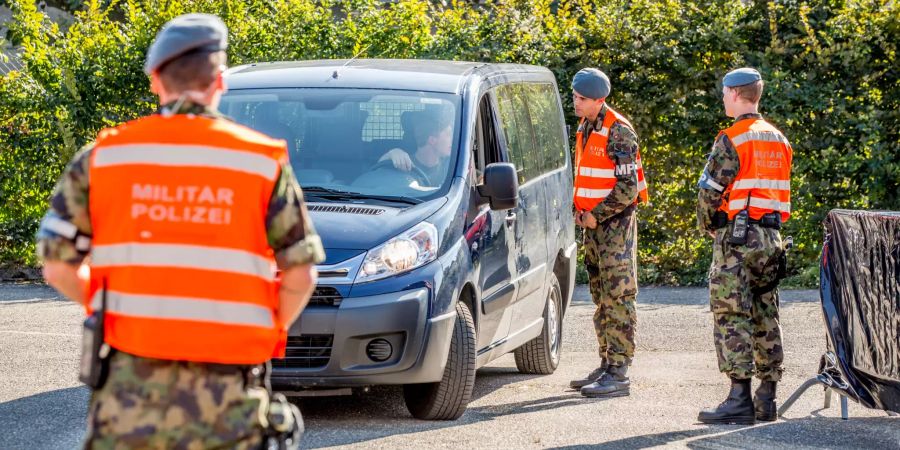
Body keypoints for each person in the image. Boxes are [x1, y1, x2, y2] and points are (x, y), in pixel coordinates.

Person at [35, 13, 325, 448]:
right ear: (219, 82)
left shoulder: (104, 158)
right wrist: (256, 334)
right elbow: (301, 276)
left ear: (155, 79)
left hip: (128, 403)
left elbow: (57, 266)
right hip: (229, 404)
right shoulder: (261, 162)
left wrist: (114, 313)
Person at [696, 67, 793, 424]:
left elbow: (710, 191)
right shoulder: (778, 138)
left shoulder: (733, 137)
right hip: (771, 236)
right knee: (765, 310)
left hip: (738, 237)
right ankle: (767, 397)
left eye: (724, 92)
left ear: (736, 94)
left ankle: (739, 398)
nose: (722, 98)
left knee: (731, 311)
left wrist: (709, 226)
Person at [567, 68, 649, 398]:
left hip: (614, 225)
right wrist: (580, 212)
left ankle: (619, 371)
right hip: (593, 226)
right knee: (601, 297)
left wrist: (596, 215)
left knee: (619, 297)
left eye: (581, 98)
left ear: (599, 100)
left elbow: (629, 187)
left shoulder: (620, 132)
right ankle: (605, 363)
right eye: (574, 95)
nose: (576, 101)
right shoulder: (585, 127)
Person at [377, 106, 454, 185]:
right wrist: (389, 155)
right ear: (432, 140)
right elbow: (376, 180)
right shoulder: (403, 163)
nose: (453, 139)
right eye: (449, 134)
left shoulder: (453, 165)